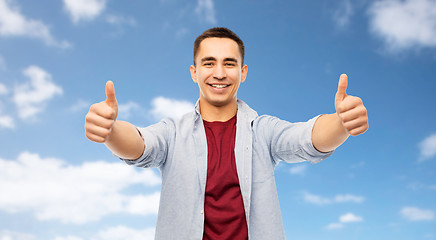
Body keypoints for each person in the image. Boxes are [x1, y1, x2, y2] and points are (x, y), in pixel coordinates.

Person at [84, 27, 368, 240]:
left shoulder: (263, 131)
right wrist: (110, 131)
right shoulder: (172, 133)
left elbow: (306, 138)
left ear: (243, 72)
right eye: (209, 63)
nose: (219, 73)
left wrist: (341, 123)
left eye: (229, 63)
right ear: (194, 72)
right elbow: (141, 146)